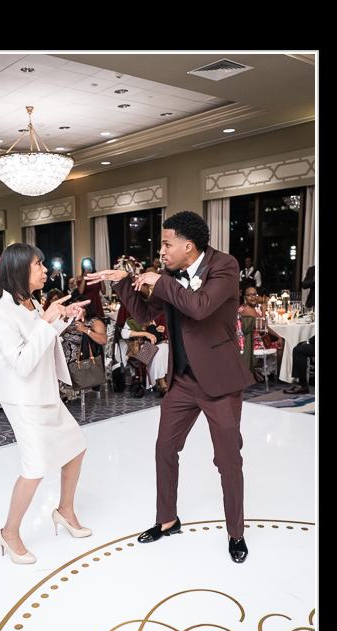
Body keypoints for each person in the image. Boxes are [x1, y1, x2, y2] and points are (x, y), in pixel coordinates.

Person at [87, 211, 254, 563]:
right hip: (183, 380)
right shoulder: (171, 275)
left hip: (219, 383)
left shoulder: (224, 266)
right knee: (165, 447)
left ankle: (236, 533)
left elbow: (200, 306)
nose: (161, 251)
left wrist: (159, 280)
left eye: (166, 244)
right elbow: (146, 315)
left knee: (227, 460)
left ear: (188, 246)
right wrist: (123, 283)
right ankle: (167, 520)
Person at [0, 243, 92, 565]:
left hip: (45, 393)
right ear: (21, 268)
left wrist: (63, 319)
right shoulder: (3, 312)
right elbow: (22, 363)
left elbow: (42, 340)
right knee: (34, 469)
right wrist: (47, 323)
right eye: (39, 264)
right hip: (23, 400)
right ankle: (9, 532)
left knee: (76, 447)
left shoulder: (30, 301)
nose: (45, 270)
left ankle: (64, 510)